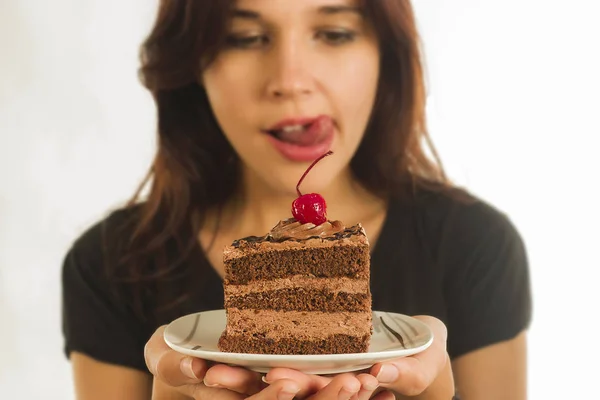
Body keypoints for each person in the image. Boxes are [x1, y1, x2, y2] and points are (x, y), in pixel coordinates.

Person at [61, 0, 532, 399]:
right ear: (192, 65)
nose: (290, 79)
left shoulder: (476, 246)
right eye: (245, 38)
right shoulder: (108, 265)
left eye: (333, 32)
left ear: (386, 55)